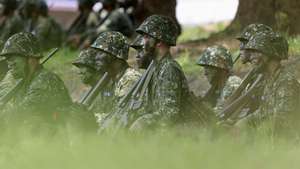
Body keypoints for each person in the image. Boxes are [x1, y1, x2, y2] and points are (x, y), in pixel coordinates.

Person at [128, 15, 196, 130]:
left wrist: (142, 122)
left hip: (182, 132)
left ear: (159, 41)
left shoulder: (169, 68)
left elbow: (168, 116)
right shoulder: (156, 67)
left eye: (146, 37)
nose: (143, 41)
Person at [0, 32, 72, 128]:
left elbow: (20, 113)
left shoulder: (46, 79)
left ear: (30, 58)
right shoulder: (20, 80)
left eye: (13, 58)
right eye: (8, 59)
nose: (10, 63)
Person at [234, 31, 300, 135]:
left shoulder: (286, 81)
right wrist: (241, 124)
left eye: (256, 52)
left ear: (270, 52)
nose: (251, 57)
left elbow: (281, 121)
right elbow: (263, 112)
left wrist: (252, 134)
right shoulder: (270, 80)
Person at [73, 31, 141, 123]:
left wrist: (89, 118)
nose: (96, 57)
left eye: (101, 52)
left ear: (114, 55)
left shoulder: (129, 78)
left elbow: (121, 117)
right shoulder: (113, 79)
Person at [196, 45, 242, 112]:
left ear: (220, 69)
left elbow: (223, 111)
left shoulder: (233, 83)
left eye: (208, 68)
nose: (205, 73)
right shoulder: (217, 88)